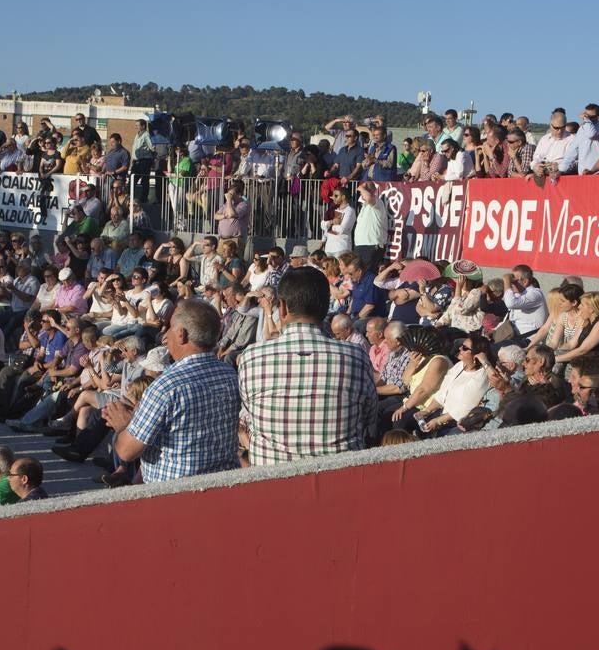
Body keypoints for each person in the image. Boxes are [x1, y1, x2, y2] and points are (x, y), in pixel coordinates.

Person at [237, 267, 377, 465]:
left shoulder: (251, 358)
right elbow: (370, 420)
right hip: (341, 481)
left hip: (270, 483)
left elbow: (250, 413)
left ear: (282, 307)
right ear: (324, 308)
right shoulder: (356, 357)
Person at [102, 299, 240, 482]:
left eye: (169, 328)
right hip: (223, 485)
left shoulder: (165, 387)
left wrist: (123, 425)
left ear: (181, 335)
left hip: (175, 494)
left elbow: (127, 451)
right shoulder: (230, 375)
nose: (165, 336)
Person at [353, 183, 388, 271]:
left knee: (368, 275)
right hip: (360, 245)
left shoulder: (378, 202)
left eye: (363, 192)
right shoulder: (364, 206)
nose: (361, 195)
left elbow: (368, 198)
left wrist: (361, 187)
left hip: (371, 246)